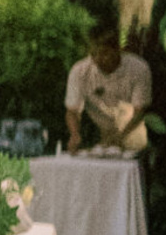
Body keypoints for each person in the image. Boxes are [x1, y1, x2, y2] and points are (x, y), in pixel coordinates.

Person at [64, 24, 151, 155]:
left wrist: (120, 136)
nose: (98, 59)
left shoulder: (138, 68)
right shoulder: (79, 71)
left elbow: (139, 111)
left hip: (134, 131)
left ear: (117, 49)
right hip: (100, 132)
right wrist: (75, 135)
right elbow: (72, 111)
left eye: (104, 53)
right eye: (93, 54)